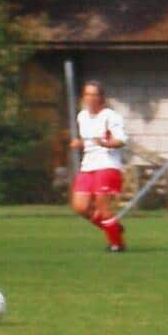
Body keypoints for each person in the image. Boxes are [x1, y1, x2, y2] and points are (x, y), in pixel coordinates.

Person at [69, 81, 129, 252]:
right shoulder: (82, 116)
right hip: (88, 165)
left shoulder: (111, 116)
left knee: (103, 209)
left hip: (107, 165)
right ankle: (113, 228)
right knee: (80, 207)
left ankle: (117, 244)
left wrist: (105, 143)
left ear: (101, 98)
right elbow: (89, 141)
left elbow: (121, 140)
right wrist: (80, 143)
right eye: (87, 95)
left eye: (94, 95)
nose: (90, 99)